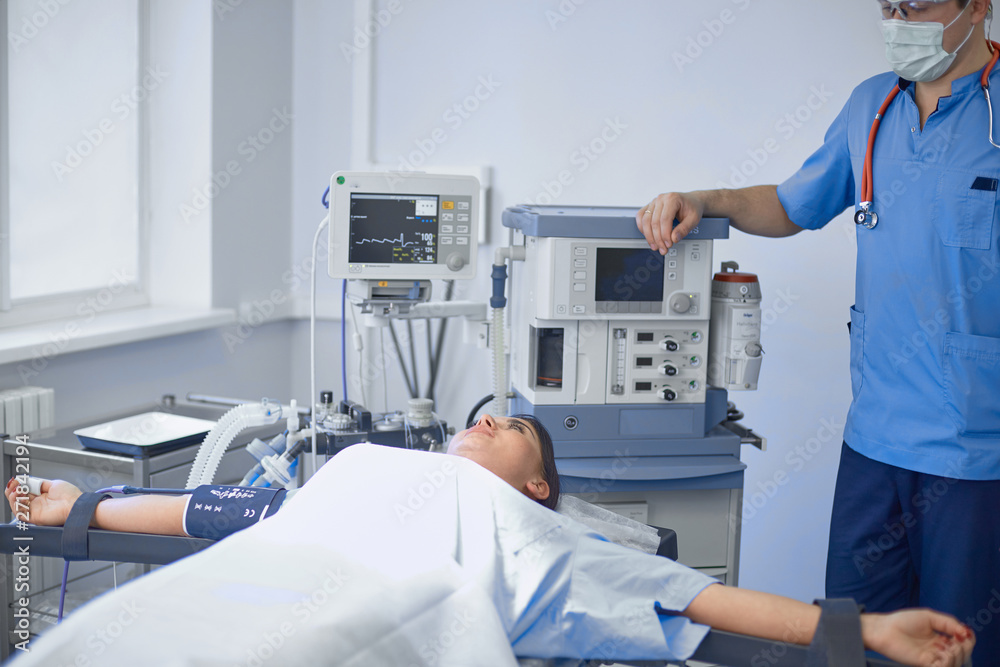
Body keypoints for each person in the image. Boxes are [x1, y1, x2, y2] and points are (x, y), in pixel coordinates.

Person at [6, 414, 974, 666]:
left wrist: (871, 628)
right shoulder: (357, 472)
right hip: (232, 595)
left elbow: (702, 602)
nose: (481, 423)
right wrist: (81, 506)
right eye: (476, 420)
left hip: (359, 621)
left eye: (508, 429)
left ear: (536, 485)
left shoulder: (538, 535)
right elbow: (204, 514)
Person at [635, 0, 1000, 663]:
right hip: (874, 442)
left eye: (916, 3)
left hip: (977, 453)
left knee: (962, 648)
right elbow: (792, 204)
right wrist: (707, 200)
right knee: (851, 641)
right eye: (888, 3)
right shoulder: (872, 107)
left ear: (977, 6)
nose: (898, 17)